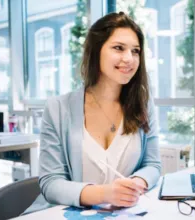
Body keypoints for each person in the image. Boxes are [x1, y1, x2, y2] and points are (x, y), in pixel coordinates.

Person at [23, 12, 161, 214]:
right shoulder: (58, 108)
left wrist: (135, 183)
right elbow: (50, 184)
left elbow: (153, 165)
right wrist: (104, 194)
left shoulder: (143, 104)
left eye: (135, 51)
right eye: (118, 48)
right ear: (96, 51)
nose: (129, 58)